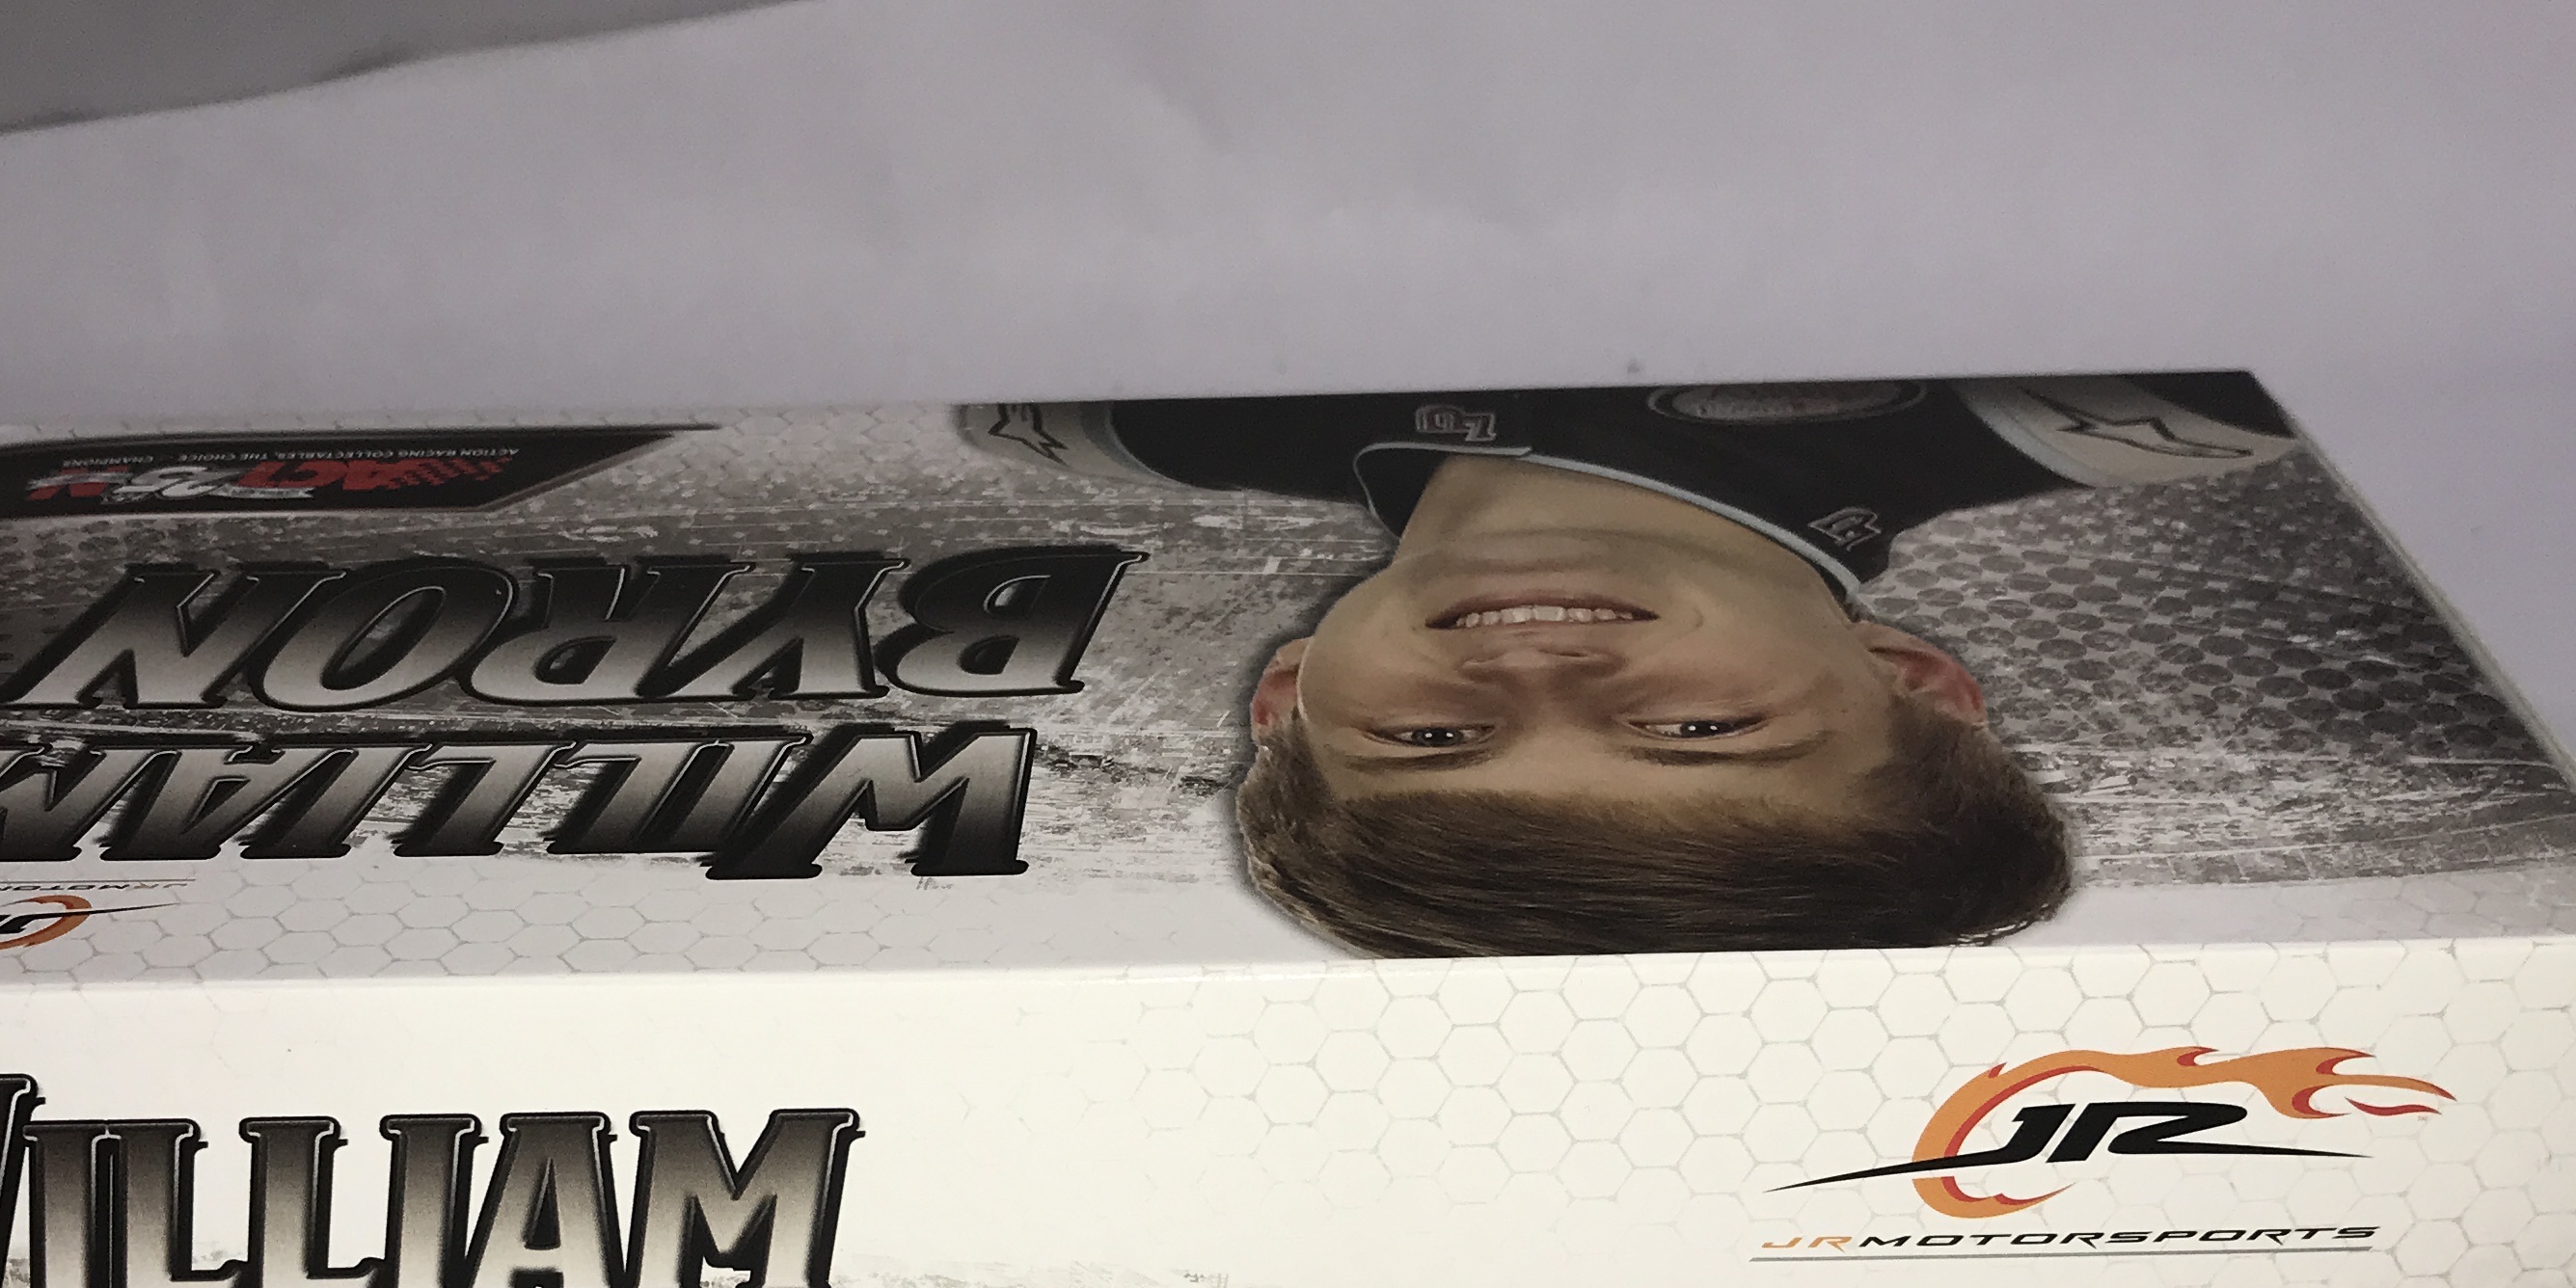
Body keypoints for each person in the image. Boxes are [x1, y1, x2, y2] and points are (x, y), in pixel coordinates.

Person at [963, 377, 2305, 957]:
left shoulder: (1083, 412)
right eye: (1701, 730)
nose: (1542, 676)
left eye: (1430, 744)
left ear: (1285, 699)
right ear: (1915, 681)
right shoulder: (2165, 399)